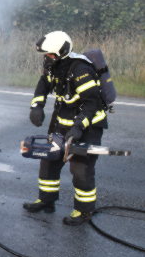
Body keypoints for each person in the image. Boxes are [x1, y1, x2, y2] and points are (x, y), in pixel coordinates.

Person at [23, 31, 107, 225]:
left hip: (89, 126)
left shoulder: (81, 69)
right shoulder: (53, 64)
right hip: (62, 123)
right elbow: (43, 84)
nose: (47, 58)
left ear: (62, 51)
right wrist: (37, 105)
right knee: (49, 160)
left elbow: (92, 103)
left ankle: (84, 211)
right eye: (46, 55)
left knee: (80, 169)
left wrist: (78, 128)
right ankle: (47, 201)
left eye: (50, 54)